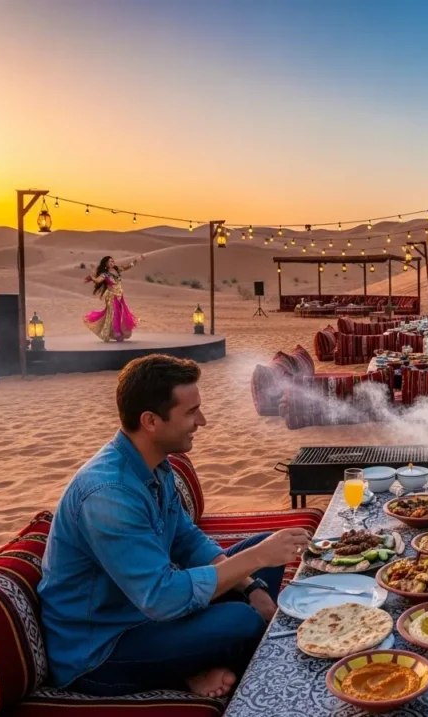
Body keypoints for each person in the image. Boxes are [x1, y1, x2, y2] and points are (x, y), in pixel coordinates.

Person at [38, 355, 311, 698]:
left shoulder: (154, 465)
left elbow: (187, 541)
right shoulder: (108, 495)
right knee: (242, 620)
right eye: (191, 412)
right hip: (103, 648)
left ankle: (198, 663)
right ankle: (189, 673)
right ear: (151, 421)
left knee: (262, 562)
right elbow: (162, 597)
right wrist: (255, 562)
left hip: (149, 614)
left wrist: (251, 586)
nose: (202, 420)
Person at [83, 254, 143, 342]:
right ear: (106, 264)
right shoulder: (105, 274)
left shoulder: (117, 269)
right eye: (109, 261)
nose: (112, 262)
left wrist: (137, 260)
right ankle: (116, 333)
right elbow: (97, 280)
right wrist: (92, 274)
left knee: (120, 312)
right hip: (111, 295)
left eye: (112, 261)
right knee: (114, 313)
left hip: (120, 295)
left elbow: (128, 267)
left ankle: (118, 331)